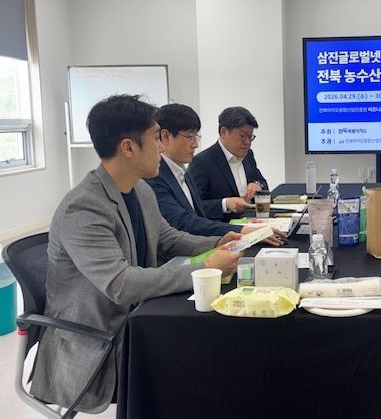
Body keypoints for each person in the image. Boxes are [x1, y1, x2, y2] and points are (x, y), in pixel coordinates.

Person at [30, 95, 243, 413]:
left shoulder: (140, 189)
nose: (161, 146)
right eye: (156, 138)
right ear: (129, 147)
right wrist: (204, 270)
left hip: (139, 318)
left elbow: (168, 239)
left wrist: (218, 241)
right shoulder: (83, 207)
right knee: (201, 358)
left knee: (217, 345)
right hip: (100, 339)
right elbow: (120, 284)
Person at [145, 104, 284, 244]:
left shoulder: (181, 171)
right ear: (165, 137)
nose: (195, 145)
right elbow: (182, 222)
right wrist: (239, 229)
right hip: (190, 248)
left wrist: (256, 185)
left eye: (196, 137)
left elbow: (197, 215)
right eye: (190, 137)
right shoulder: (155, 177)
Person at [189, 106, 268, 221]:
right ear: (223, 132)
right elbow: (194, 206)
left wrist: (257, 185)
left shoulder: (248, 155)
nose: (247, 142)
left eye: (250, 136)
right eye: (242, 136)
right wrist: (225, 204)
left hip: (253, 220)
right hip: (224, 226)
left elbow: (262, 182)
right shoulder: (202, 162)